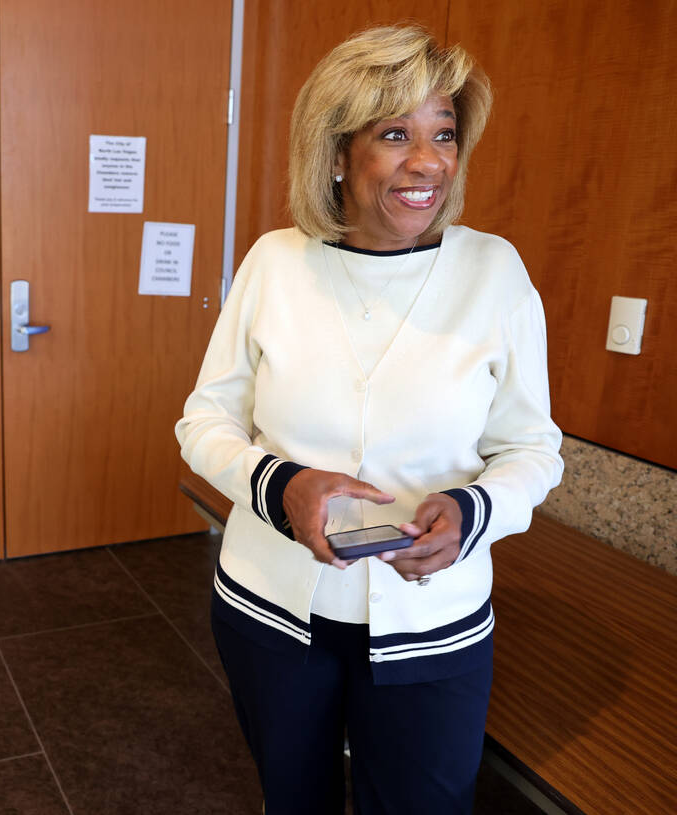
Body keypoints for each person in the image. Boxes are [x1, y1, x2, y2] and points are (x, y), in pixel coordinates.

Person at [175, 25, 563, 815]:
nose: (429, 161)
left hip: (435, 619)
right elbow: (204, 419)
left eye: (444, 134)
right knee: (295, 798)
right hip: (269, 610)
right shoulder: (274, 263)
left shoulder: (495, 273)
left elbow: (533, 446)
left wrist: (473, 510)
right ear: (338, 151)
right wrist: (279, 485)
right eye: (395, 135)